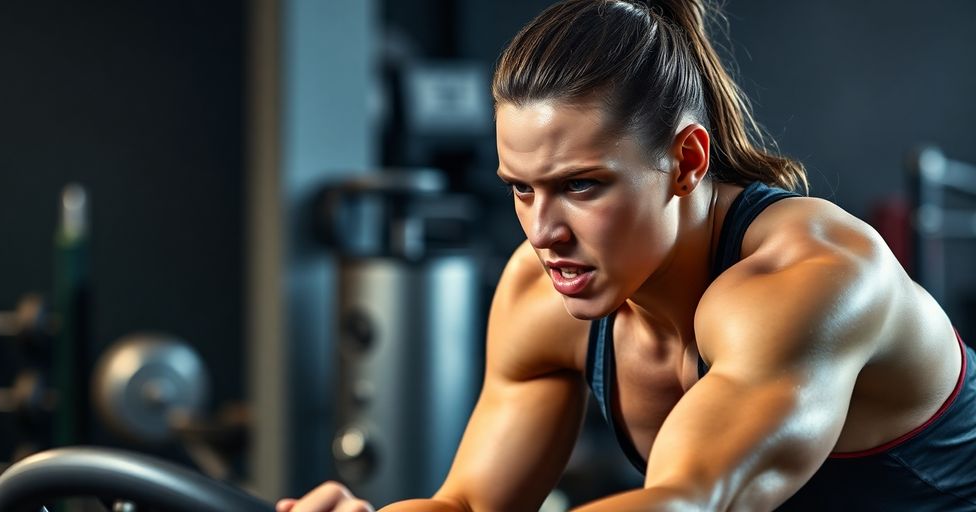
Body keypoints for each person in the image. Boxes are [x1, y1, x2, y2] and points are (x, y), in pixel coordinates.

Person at [278, 0, 976, 510]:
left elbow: (684, 504)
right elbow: (468, 506)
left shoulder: (812, 278)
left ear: (686, 162)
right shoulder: (539, 294)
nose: (542, 231)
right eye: (521, 189)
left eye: (581, 186)